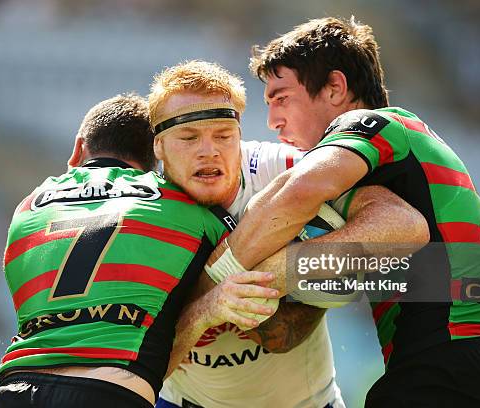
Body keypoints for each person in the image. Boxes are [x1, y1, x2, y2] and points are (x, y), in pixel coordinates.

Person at [206, 17, 480, 407]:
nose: (273, 121)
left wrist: (214, 287)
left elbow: (299, 190)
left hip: (445, 369)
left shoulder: (378, 124)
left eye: (281, 98)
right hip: (477, 369)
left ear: (335, 87)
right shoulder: (393, 167)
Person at [148, 60, 428, 408]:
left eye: (223, 135)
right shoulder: (139, 210)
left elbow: (403, 224)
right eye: (189, 138)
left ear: (240, 134)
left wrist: (285, 269)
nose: (210, 150)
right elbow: (139, 362)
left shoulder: (282, 169)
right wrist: (209, 307)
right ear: (158, 147)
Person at [0, 94, 279, 408]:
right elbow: (248, 258)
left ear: (77, 150)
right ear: (157, 153)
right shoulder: (187, 207)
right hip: (108, 391)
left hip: (14, 387)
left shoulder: (28, 206)